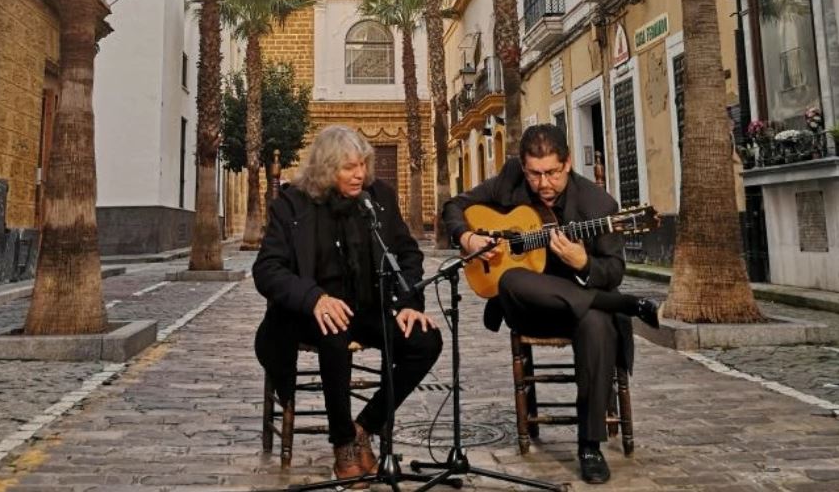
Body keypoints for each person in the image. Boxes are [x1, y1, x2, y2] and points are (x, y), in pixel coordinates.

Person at [441, 124, 658, 485]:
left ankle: (590, 446)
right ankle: (625, 305)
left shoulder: (598, 206)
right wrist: (467, 236)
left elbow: (614, 269)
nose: (543, 183)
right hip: (530, 308)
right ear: (523, 168)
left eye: (552, 173)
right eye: (535, 174)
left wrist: (582, 263)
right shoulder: (510, 179)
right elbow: (454, 206)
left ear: (568, 163)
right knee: (510, 279)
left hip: (580, 311)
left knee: (598, 324)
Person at [253, 125, 442, 486]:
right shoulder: (291, 204)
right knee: (334, 330)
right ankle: (342, 442)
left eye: (362, 165)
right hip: (308, 313)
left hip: (368, 307)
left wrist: (408, 302)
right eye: (348, 168)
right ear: (326, 169)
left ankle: (363, 427)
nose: (359, 174)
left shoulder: (378, 197)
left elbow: (406, 252)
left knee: (426, 340)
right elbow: (267, 269)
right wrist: (314, 299)